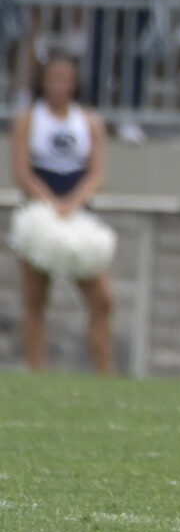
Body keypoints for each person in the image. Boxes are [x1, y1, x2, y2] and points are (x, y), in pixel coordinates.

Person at [12, 51, 114, 375]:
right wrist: (48, 203)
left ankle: (105, 373)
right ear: (43, 82)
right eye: (53, 78)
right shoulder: (30, 119)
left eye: (66, 79)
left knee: (103, 300)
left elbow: (96, 173)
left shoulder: (89, 121)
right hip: (40, 216)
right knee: (36, 300)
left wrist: (72, 203)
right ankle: (37, 372)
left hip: (77, 217)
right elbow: (22, 171)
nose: (59, 85)